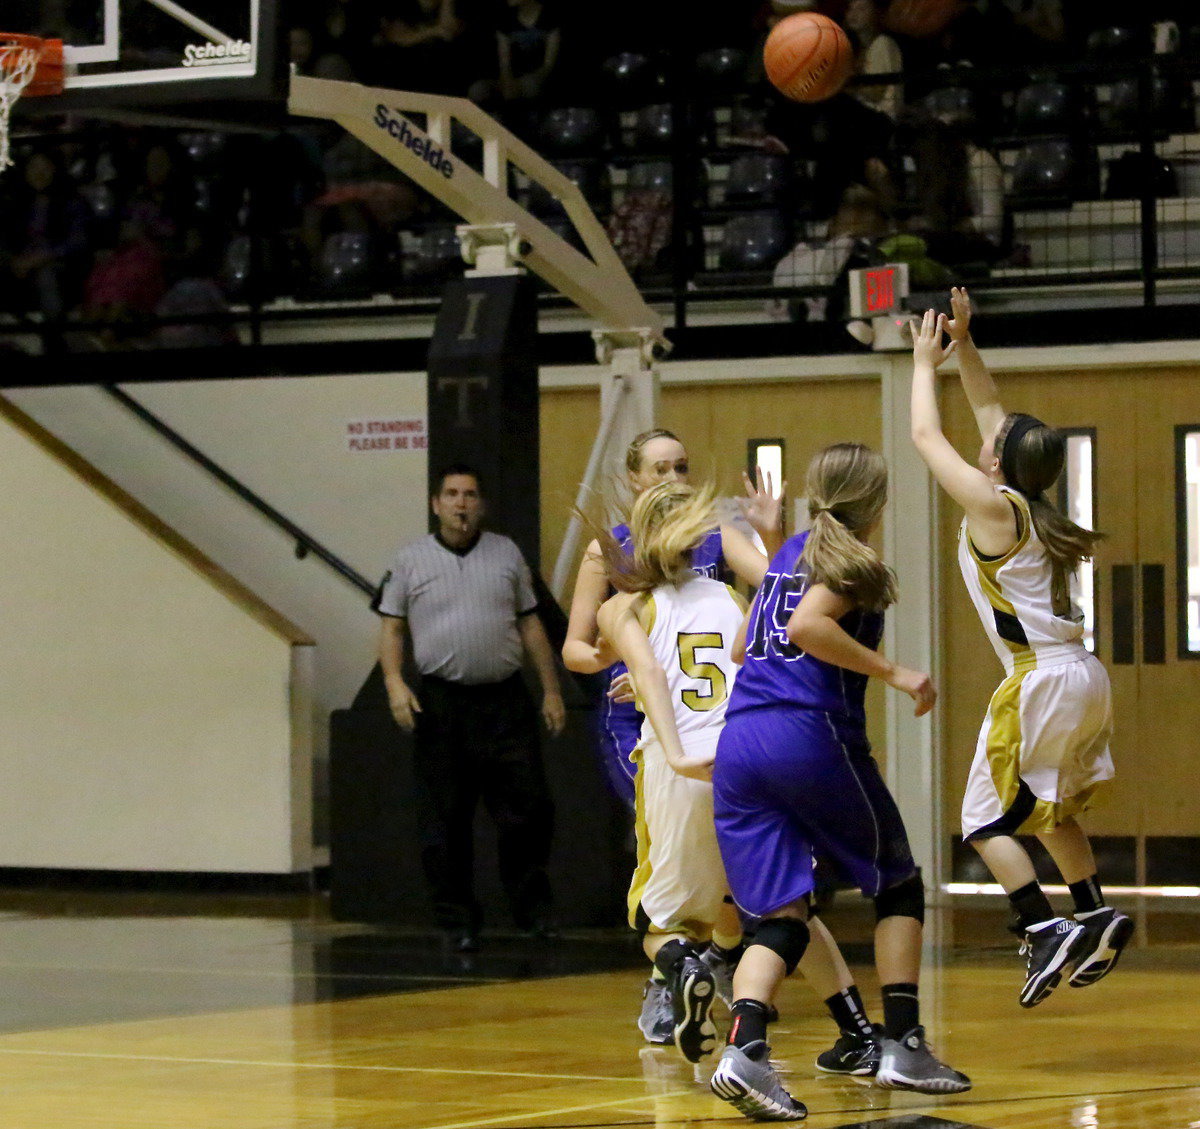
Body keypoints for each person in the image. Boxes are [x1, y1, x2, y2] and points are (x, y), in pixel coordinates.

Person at [709, 443, 971, 1122]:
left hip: (740, 744)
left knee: (785, 914)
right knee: (898, 883)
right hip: (807, 736)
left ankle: (743, 1048)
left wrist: (772, 542)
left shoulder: (791, 552)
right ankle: (903, 1042)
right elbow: (806, 624)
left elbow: (746, 645)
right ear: (876, 504)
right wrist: (894, 671)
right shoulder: (851, 559)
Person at [592, 480, 891, 1072]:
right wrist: (775, 533)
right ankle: (858, 1030)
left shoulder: (621, 606)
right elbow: (742, 658)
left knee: (663, 923)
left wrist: (674, 747)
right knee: (790, 910)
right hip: (741, 762)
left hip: (680, 771)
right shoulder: (734, 600)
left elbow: (651, 671)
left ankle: (683, 968)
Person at [909, 291, 1131, 1007]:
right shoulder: (1037, 505)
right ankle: (1092, 910)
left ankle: (1042, 925)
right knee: (1050, 807)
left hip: (1039, 679)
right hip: (1084, 673)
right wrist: (965, 345)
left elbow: (923, 435)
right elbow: (990, 407)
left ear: (999, 459)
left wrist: (922, 363)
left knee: (982, 819)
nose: (988, 432)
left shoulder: (994, 507)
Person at [562, 429, 784, 1045]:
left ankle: (701, 968)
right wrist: (630, 657)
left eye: (682, 466)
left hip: (706, 722)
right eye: (660, 468)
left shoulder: (715, 540)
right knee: (679, 867)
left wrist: (768, 532)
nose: (673, 478)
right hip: (639, 728)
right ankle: (674, 986)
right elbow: (577, 651)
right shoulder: (608, 550)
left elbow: (774, 590)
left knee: (720, 882)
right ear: (634, 478)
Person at [376, 464, 565, 952]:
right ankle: (456, 921)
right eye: (452, 495)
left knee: (526, 812)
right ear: (436, 504)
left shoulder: (505, 553)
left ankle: (532, 916)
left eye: (471, 495)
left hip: (505, 699)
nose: (462, 503)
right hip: (441, 704)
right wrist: (395, 683)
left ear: (480, 504)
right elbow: (392, 628)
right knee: (445, 819)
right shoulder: (409, 561)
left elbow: (530, 626)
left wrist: (551, 689)